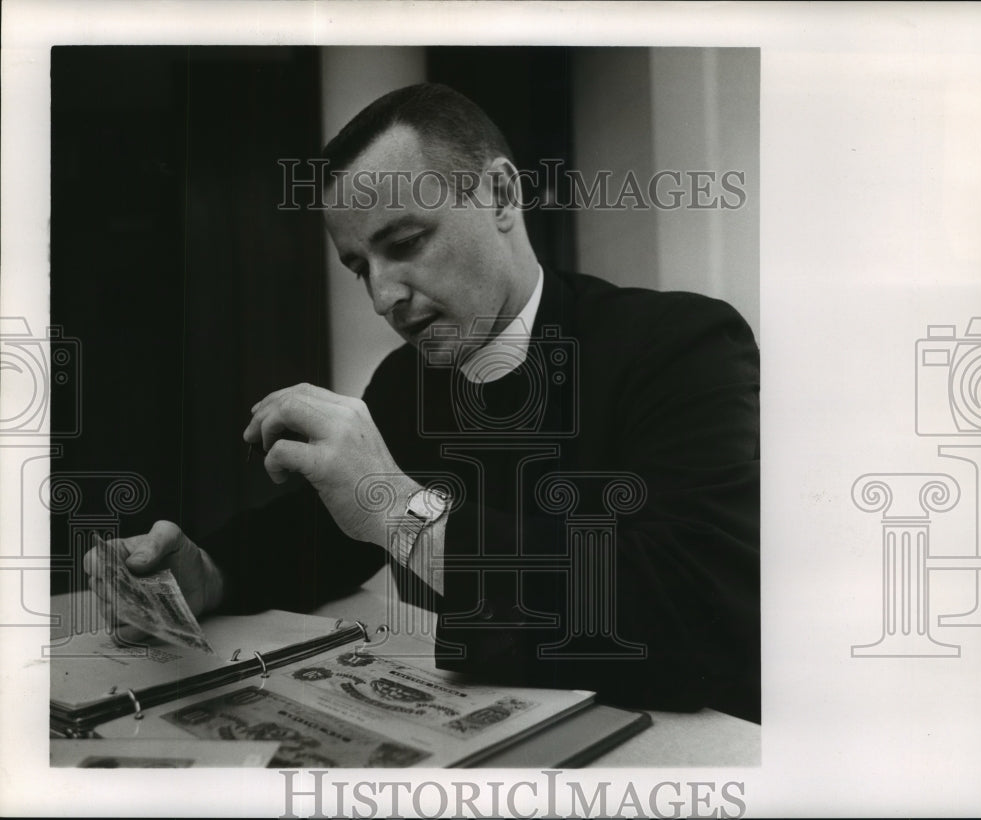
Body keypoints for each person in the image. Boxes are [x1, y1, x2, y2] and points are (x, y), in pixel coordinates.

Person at [85, 83, 761, 723]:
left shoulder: (683, 345)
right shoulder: (407, 383)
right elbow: (316, 538)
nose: (383, 297)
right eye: (360, 268)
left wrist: (398, 509)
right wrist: (208, 571)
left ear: (500, 195)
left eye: (404, 244)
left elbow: (698, 619)